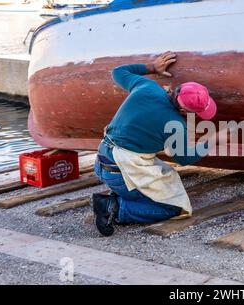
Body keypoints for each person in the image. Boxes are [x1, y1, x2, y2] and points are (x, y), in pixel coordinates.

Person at [92, 51, 218, 236]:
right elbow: (184, 158)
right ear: (184, 109)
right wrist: (212, 141)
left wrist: (152, 67)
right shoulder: (175, 124)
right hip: (122, 173)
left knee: (165, 177)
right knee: (173, 207)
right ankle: (115, 208)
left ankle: (118, 197)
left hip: (102, 162)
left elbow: (118, 72)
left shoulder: (147, 86)